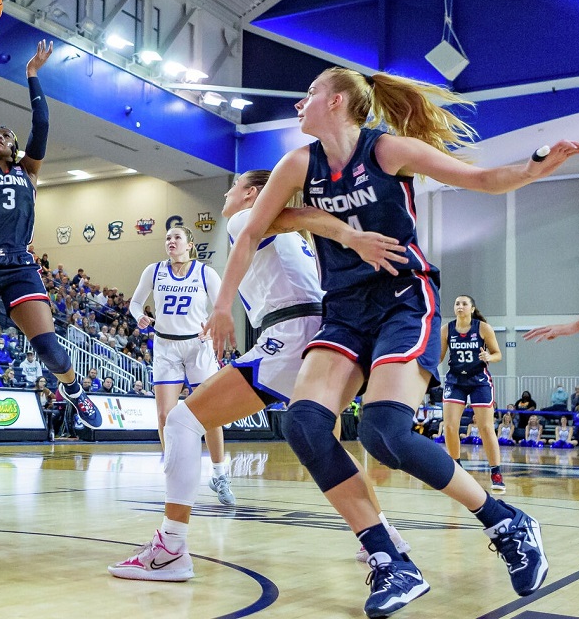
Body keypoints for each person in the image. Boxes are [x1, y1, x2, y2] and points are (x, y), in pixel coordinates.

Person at [200, 68, 579, 614]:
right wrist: (222, 305)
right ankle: (388, 559)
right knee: (305, 424)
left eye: (308, 94)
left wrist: (534, 168)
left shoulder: (387, 150)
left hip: (404, 299)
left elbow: (482, 180)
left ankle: (506, 523)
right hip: (345, 310)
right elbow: (256, 228)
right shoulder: (298, 164)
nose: (299, 105)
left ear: (335, 102)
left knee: (383, 433)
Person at [110, 169, 410, 582]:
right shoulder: (297, 243)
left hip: (289, 335)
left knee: (180, 422)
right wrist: (346, 233)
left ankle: (171, 548)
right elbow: (301, 217)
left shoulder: (244, 218)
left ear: (252, 193)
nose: (226, 194)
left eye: (233, 187)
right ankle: (382, 535)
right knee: (327, 447)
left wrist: (345, 234)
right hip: (326, 336)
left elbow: (294, 214)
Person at [0, 28, 101, 496]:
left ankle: (73, 390)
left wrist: (32, 74)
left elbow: (42, 125)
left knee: (51, 350)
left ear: (15, 150)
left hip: (19, 265)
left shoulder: (29, 173)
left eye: (5, 135)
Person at [129, 225, 234, 507]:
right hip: (165, 346)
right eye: (167, 238)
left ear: (189, 244)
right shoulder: (154, 270)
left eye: (176, 237)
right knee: (164, 415)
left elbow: (222, 304)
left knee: (210, 414)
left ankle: (220, 474)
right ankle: (172, 472)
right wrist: (139, 315)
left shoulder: (204, 272)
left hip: (197, 346)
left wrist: (212, 327)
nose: (170, 242)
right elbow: (136, 302)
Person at [440, 294, 505, 491]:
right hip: (456, 380)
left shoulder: (483, 328)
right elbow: (439, 357)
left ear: (472, 308)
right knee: (450, 426)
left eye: (464, 303)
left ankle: (496, 472)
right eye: (457, 303)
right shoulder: (447, 329)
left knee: (485, 427)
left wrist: (489, 357)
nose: (460, 306)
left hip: (479, 381)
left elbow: (498, 354)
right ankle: (456, 469)